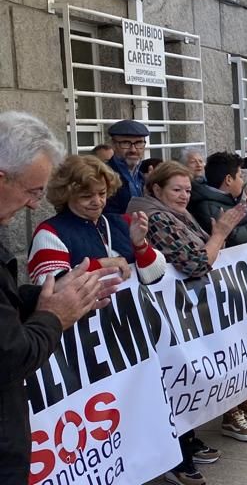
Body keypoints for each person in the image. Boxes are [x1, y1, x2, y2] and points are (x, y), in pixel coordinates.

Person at [0, 112, 123, 485]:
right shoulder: (52, 231)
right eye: (32, 191)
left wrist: (47, 294)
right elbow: (13, 353)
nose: (34, 205)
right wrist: (56, 314)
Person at [126, 161, 245, 484]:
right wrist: (219, 235)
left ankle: (186, 441)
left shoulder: (175, 213)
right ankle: (175, 455)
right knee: (175, 382)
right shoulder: (157, 218)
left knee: (187, 381)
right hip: (167, 316)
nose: (183, 196)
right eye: (176, 190)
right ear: (155, 190)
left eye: (188, 190)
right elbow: (195, 262)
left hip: (185, 312)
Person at [188, 151, 247, 441]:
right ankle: (231, 412)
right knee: (232, 348)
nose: (243, 180)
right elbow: (234, 238)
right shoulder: (206, 205)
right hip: (223, 290)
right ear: (228, 179)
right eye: (240, 175)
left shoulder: (232, 202)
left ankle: (246, 400)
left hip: (244, 287)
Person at [28, 155, 166, 287]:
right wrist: (100, 265)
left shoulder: (123, 221)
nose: (97, 202)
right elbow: (49, 286)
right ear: (66, 195)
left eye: (102, 193)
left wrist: (140, 246)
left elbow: (156, 276)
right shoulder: (49, 232)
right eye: (86, 196)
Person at [104, 119, 150, 215]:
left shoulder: (142, 176)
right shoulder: (105, 175)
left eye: (138, 143)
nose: (133, 149)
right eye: (126, 143)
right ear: (113, 144)